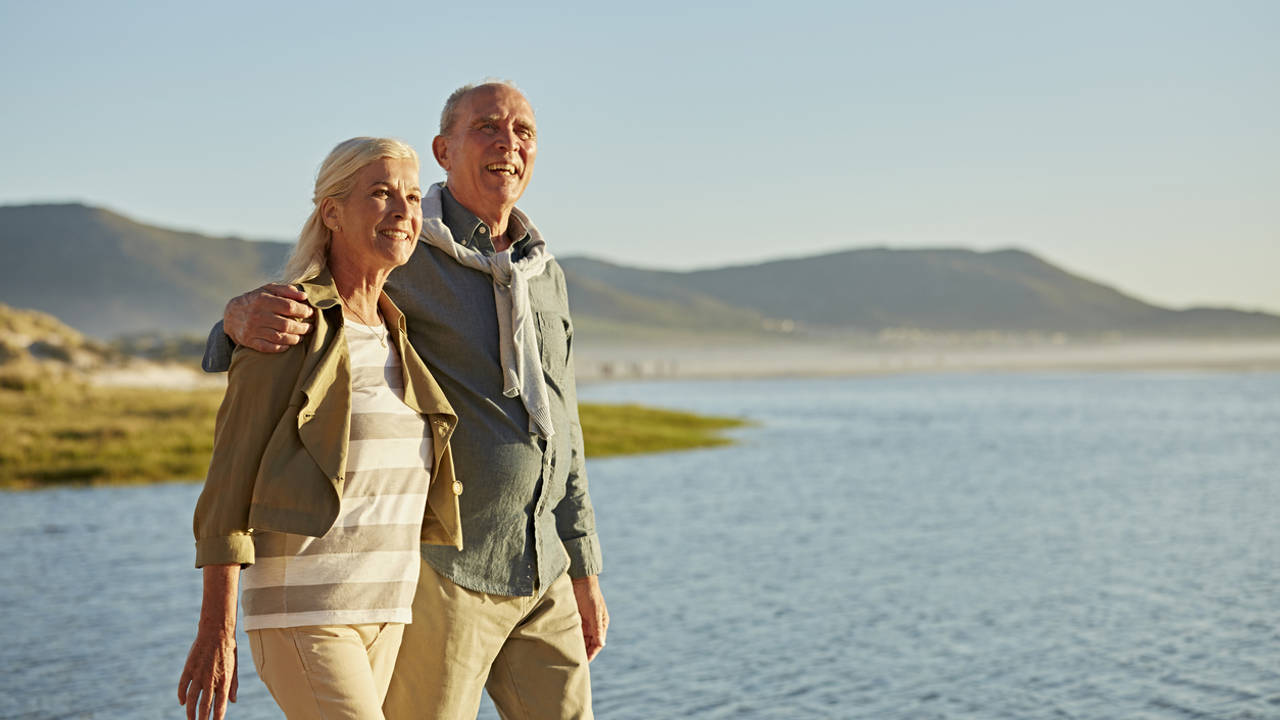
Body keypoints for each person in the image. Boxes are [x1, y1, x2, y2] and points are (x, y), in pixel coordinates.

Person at [202, 81, 608, 719]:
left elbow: (564, 428)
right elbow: (299, 319)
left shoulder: (545, 272)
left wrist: (583, 565)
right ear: (444, 148)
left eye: (523, 131)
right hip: (442, 574)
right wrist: (231, 323)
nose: (508, 143)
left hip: (541, 565)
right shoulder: (402, 247)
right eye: (487, 128)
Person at [179, 137, 464, 720]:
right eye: (380, 194)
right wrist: (218, 630)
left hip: (389, 610)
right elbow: (228, 484)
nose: (403, 211)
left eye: (412, 196)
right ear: (331, 212)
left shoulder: (395, 332)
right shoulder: (286, 324)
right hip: (304, 614)